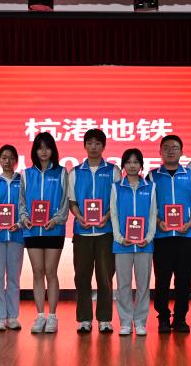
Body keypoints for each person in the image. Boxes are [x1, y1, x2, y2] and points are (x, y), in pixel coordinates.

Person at [149, 135, 191, 333]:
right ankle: (163, 318)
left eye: (174, 148)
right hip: (162, 237)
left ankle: (180, 318)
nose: (170, 151)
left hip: (186, 236)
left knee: (184, 280)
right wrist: (158, 222)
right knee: (162, 280)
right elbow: (148, 205)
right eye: (166, 148)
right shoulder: (152, 176)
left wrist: (190, 223)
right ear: (160, 152)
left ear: (181, 152)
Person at [68, 129, 117, 334]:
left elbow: (117, 200)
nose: (93, 147)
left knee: (105, 278)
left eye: (97, 143)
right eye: (90, 143)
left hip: (106, 232)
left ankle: (104, 319)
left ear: (103, 146)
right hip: (82, 233)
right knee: (82, 277)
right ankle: (84, 319)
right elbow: (72, 201)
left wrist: (107, 216)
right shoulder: (75, 172)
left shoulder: (113, 170)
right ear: (84, 146)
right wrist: (79, 217)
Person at [19, 132, 69, 334]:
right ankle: (40, 315)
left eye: (47, 147)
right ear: (35, 151)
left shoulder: (62, 173)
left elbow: (65, 201)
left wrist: (56, 219)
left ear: (53, 150)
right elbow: (21, 202)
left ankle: (53, 316)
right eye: (40, 147)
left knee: (50, 271)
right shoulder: (26, 174)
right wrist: (24, 218)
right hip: (32, 231)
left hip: (54, 229)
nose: (44, 151)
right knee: (37, 271)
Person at [110, 148, 158, 336]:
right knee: (123, 285)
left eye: (136, 162)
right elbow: (114, 214)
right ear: (123, 165)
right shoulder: (116, 187)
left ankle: (140, 322)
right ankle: (125, 322)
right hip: (122, 244)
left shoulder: (150, 187)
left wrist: (149, 237)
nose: (132, 165)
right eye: (128, 162)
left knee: (143, 285)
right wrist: (119, 238)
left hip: (145, 244)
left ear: (141, 165)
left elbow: (153, 214)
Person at [0, 144, 24, 331]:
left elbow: (27, 209)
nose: (7, 161)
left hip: (17, 235)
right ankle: (0, 318)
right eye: (3, 158)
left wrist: (20, 223)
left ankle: (13, 317)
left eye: (11, 158)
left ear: (16, 160)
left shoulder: (23, 182)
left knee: (14, 278)